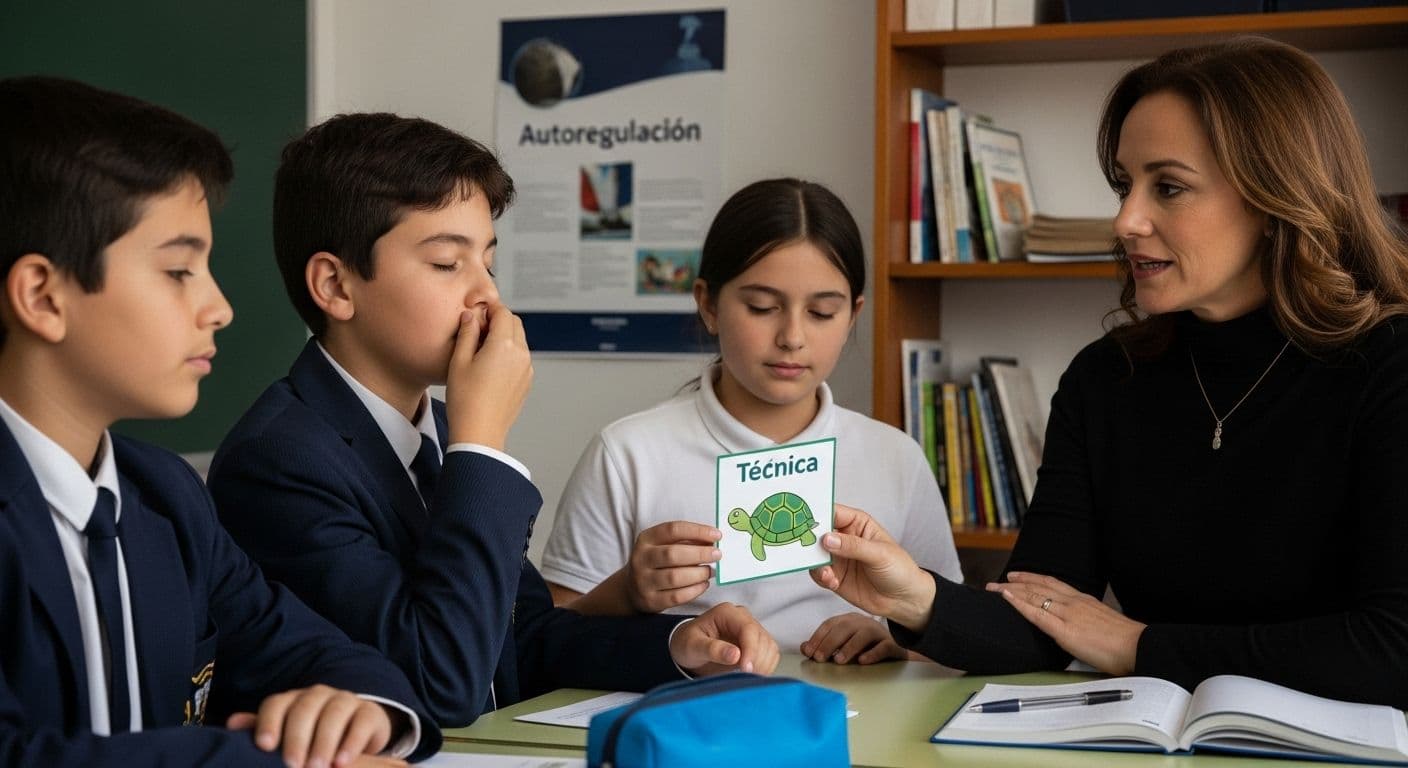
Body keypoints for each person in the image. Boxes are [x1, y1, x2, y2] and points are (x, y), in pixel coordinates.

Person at [811, 37, 1408, 707]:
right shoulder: (1105, 380)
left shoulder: (1390, 365)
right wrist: (914, 596)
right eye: (1125, 186)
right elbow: (1041, 620)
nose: (1126, 220)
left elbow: (1393, 648)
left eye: (1169, 187)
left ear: (1276, 200)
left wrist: (1137, 646)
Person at [205, 113, 779, 729]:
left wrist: (679, 646)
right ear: (336, 286)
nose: (488, 296)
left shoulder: (440, 426)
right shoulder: (278, 460)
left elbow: (517, 639)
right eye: (446, 263)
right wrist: (480, 446)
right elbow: (440, 683)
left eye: (489, 263)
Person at [0, 77, 436, 767]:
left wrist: (357, 711)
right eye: (179, 271)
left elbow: (329, 658)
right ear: (42, 296)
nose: (219, 308)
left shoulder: (164, 494)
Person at [542, 178, 964, 662]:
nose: (792, 337)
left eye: (822, 312)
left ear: (852, 315)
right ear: (708, 304)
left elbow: (951, 635)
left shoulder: (895, 457)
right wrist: (626, 593)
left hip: (854, 704)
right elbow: (548, 639)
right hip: (692, 701)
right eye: (762, 307)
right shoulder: (627, 454)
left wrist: (899, 639)